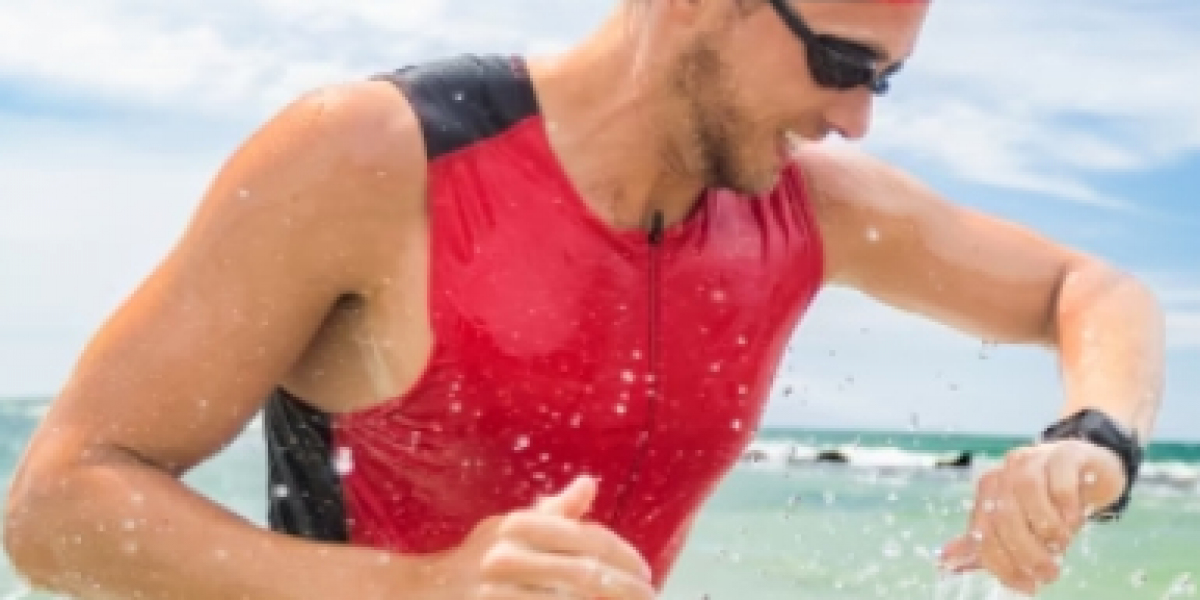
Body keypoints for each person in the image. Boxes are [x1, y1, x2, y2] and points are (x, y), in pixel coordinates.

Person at [4, 0, 1164, 598]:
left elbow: (1094, 287)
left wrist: (1092, 445)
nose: (857, 119)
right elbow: (57, 507)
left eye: (887, 82)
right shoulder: (374, 158)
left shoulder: (812, 208)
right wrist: (429, 592)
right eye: (841, 63)